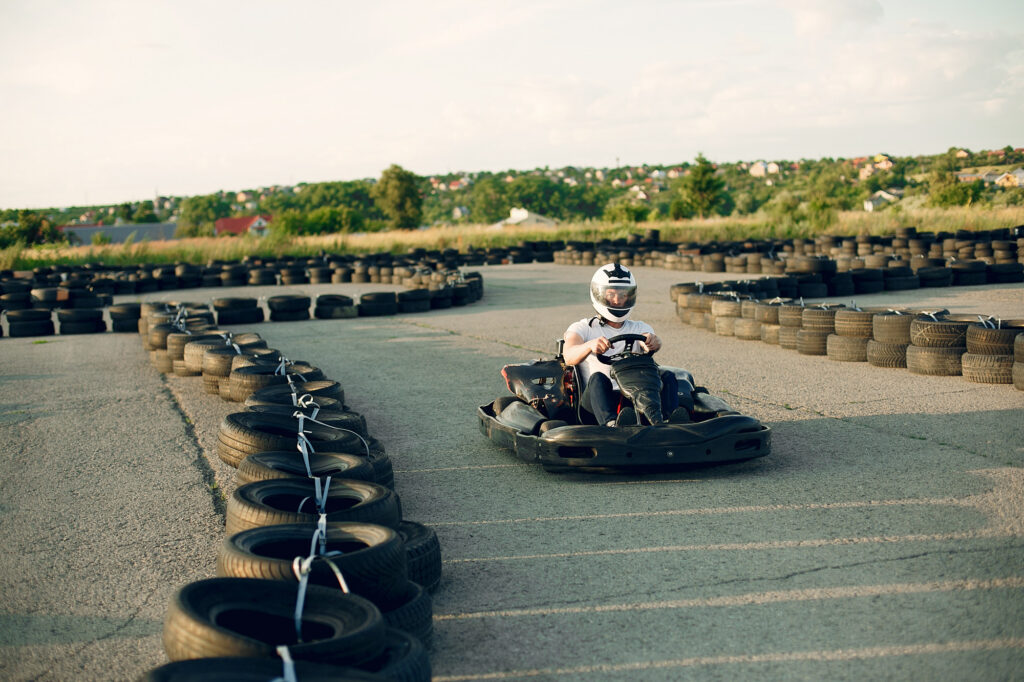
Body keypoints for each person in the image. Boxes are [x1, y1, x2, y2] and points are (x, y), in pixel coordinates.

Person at [562, 263, 683, 427]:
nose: (617, 300)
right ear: (599, 295)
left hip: (634, 399)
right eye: (611, 294)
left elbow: (649, 340)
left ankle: (668, 422)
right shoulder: (583, 327)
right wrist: (589, 345)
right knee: (598, 378)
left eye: (623, 294)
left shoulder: (640, 327)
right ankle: (611, 425)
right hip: (596, 405)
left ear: (630, 296)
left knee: (668, 376)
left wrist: (653, 342)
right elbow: (568, 356)